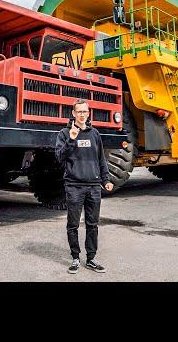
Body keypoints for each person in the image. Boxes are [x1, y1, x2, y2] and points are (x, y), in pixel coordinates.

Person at [55, 99, 114, 274]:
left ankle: (91, 259)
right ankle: (75, 258)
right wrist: (72, 139)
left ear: (88, 113)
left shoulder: (95, 134)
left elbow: (101, 160)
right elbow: (59, 157)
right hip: (74, 186)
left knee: (92, 224)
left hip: (94, 186)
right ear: (73, 114)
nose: (82, 114)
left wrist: (106, 180)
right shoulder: (65, 134)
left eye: (85, 112)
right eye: (79, 111)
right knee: (73, 224)